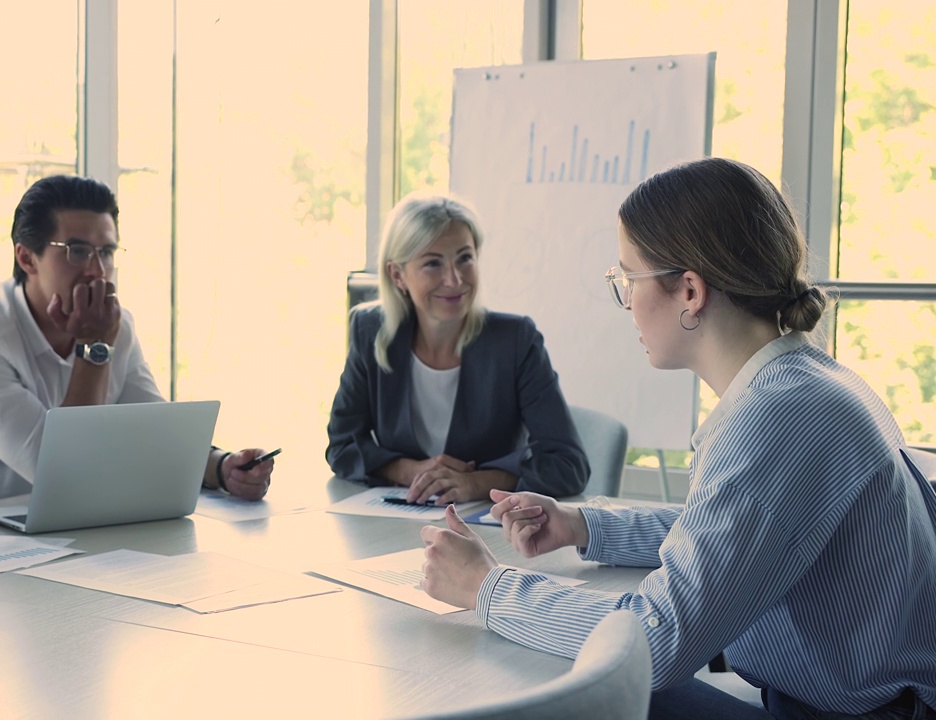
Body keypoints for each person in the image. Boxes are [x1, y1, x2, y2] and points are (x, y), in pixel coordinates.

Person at [418, 158, 936, 719]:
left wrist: (485, 588)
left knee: (561, 684)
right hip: (846, 702)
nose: (627, 303)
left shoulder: (777, 416)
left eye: (627, 279)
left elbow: (658, 642)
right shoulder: (805, 383)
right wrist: (583, 524)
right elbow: (729, 531)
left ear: (689, 290)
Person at [0, 175, 275, 505]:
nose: (97, 270)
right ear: (27, 258)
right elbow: (63, 475)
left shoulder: (112, 325)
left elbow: (153, 432)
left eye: (106, 252)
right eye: (77, 251)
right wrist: (93, 348)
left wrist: (222, 467)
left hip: (67, 532)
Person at [326, 193, 588, 503]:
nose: (454, 280)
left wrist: (477, 483)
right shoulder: (370, 331)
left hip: (491, 531)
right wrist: (413, 472)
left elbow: (568, 465)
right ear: (398, 275)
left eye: (465, 258)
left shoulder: (516, 341)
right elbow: (342, 447)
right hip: (399, 518)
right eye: (433, 263)